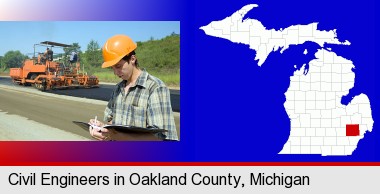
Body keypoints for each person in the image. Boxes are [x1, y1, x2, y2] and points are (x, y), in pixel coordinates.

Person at [88, 34, 178, 141]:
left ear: (132, 59)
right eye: (112, 68)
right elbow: (113, 123)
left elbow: (159, 138)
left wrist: (113, 136)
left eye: (118, 66)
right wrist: (102, 128)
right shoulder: (118, 89)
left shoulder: (154, 88)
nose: (116, 72)